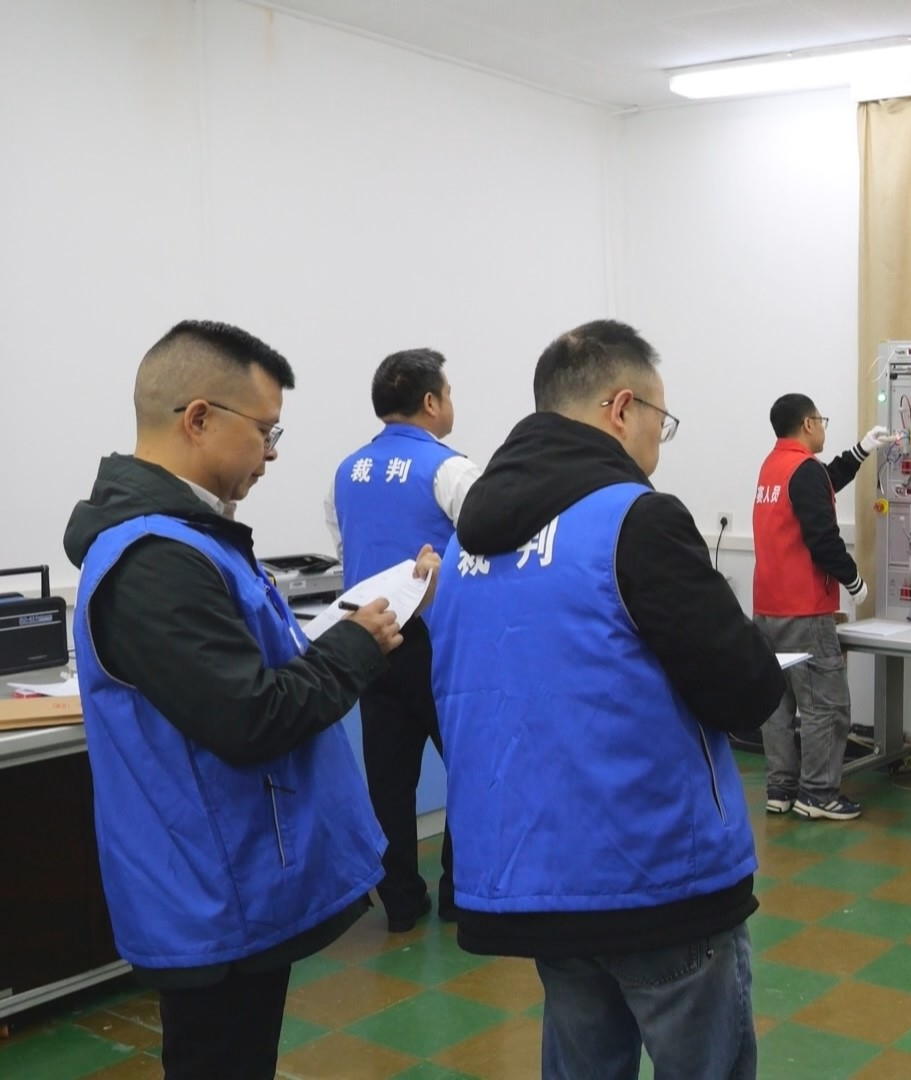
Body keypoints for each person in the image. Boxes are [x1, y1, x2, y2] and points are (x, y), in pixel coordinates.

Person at [64, 320, 432, 1079]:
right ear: (198, 418)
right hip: (211, 891)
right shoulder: (155, 560)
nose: (271, 453)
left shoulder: (193, 538)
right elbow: (250, 716)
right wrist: (357, 645)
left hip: (234, 878)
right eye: (265, 431)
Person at [427, 319, 785, 1080]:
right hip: (656, 876)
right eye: (661, 421)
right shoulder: (634, 521)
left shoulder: (466, 545)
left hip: (537, 881)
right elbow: (747, 688)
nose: (659, 442)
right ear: (622, 409)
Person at [325, 348, 479, 931]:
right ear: (432, 402)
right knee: (469, 766)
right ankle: (461, 896)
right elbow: (488, 547)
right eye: (449, 393)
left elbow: (346, 547)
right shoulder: (451, 470)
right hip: (440, 647)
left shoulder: (346, 472)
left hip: (371, 643)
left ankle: (402, 904)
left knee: (388, 780)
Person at [751, 393, 894, 820]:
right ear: (809, 424)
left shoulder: (773, 467)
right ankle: (817, 794)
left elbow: (823, 483)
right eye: (822, 420)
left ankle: (781, 789)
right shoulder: (804, 470)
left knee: (778, 705)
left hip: (767, 612)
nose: (823, 427)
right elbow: (823, 537)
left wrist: (861, 450)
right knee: (825, 706)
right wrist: (854, 580)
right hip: (804, 614)